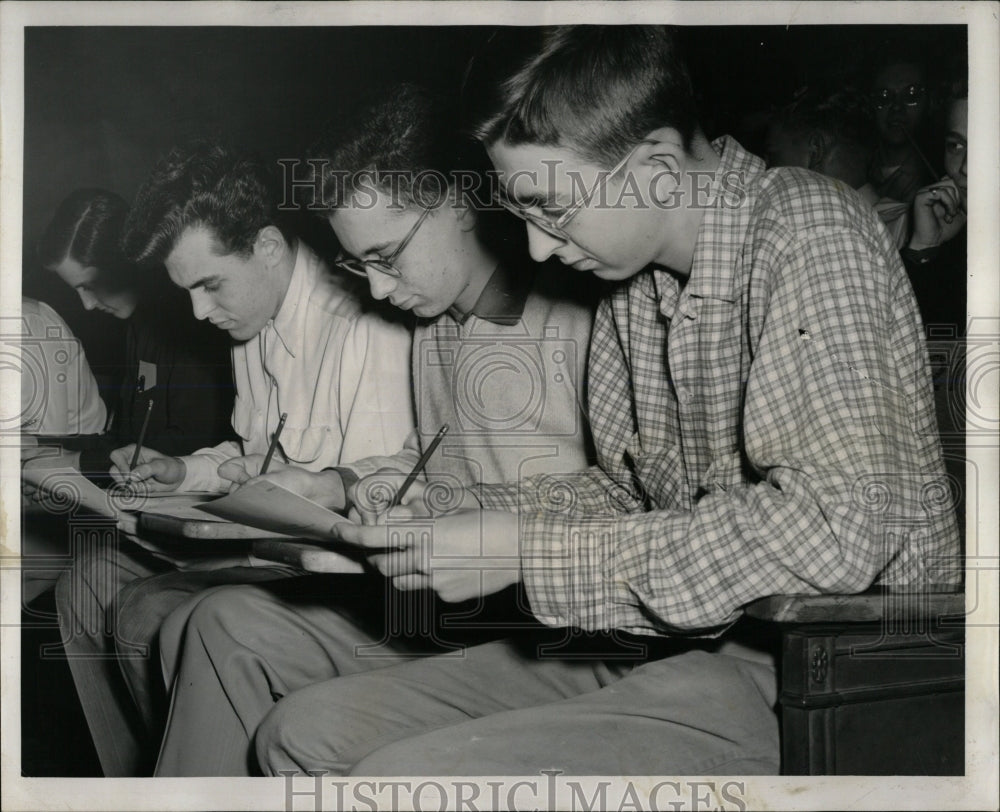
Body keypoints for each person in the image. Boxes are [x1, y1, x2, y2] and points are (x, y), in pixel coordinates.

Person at [248, 26, 960, 776]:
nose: (536, 250)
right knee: (303, 733)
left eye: (550, 209)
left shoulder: (810, 229)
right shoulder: (633, 288)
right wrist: (455, 516)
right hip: (671, 636)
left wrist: (525, 550)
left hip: (826, 670)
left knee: (395, 779)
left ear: (655, 167)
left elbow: (834, 531)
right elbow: (626, 496)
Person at [151, 83, 598, 776]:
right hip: (453, 612)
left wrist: (461, 524)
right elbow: (427, 455)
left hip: (544, 627)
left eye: (387, 257)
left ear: (457, 205)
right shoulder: (435, 322)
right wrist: (344, 484)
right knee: (222, 624)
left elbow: (620, 500)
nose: (380, 291)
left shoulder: (577, 321)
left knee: (296, 722)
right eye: (362, 266)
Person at [54, 142, 415, 776]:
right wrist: (184, 470)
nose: (198, 310)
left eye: (209, 284)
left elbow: (374, 493)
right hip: (268, 547)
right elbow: (251, 455)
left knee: (146, 611)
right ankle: (137, 781)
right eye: (186, 289)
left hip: (345, 579)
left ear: (269, 246)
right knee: (87, 583)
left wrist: (304, 492)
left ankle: (201, 778)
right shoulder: (251, 315)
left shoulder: (366, 322)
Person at [35, 188, 235, 479]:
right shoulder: (139, 324)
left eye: (89, 286)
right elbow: (129, 436)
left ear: (126, 261)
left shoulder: (193, 324)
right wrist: (48, 450)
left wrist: (74, 463)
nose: (87, 305)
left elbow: (189, 444)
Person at [766, 87, 909, 248]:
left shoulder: (908, 231)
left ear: (816, 151)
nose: (767, 171)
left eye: (773, 157)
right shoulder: (902, 226)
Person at [867, 55, 936, 205]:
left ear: (930, 103)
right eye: (884, 96)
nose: (897, 107)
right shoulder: (854, 168)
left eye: (911, 95)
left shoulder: (939, 177)